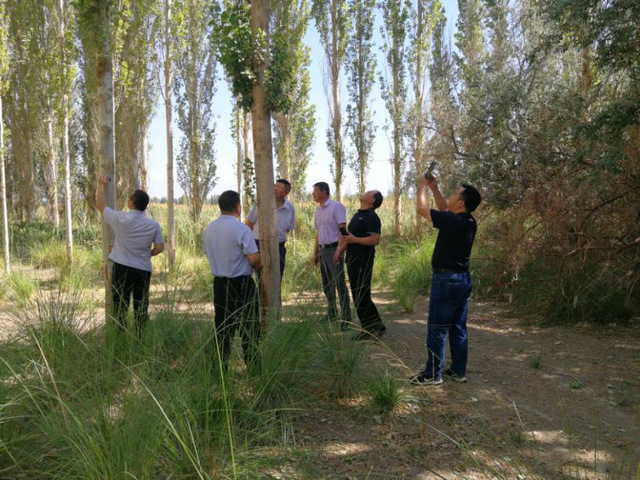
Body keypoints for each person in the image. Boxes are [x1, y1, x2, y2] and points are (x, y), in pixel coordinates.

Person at [410, 175, 481, 386]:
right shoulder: (466, 221)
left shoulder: (454, 221)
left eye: (455, 194)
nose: (451, 196)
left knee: (437, 328)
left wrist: (422, 187)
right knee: (458, 327)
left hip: (447, 281)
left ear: (460, 203)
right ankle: (458, 371)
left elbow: (422, 210)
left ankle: (433, 374)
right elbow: (443, 209)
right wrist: (434, 188)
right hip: (461, 280)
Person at [96, 175, 164, 338]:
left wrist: (101, 185)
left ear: (132, 203)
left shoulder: (121, 218)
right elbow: (160, 248)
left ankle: (120, 338)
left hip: (122, 268)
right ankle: (141, 338)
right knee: (141, 306)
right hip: (143, 270)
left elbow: (100, 204)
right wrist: (147, 253)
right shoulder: (153, 225)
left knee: (120, 305)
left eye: (129, 199)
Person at [203, 190, 261, 370]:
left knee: (222, 326)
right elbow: (253, 259)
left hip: (220, 284)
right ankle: (254, 367)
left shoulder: (210, 229)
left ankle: (219, 368)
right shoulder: (242, 229)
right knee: (249, 327)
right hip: (241, 284)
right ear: (238, 207)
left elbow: (207, 252)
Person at [335, 190, 386, 340]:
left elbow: (375, 239)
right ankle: (372, 327)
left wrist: (355, 240)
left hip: (363, 261)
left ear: (372, 200)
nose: (365, 192)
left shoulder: (372, 217)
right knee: (358, 295)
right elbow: (349, 238)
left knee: (362, 294)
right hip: (352, 260)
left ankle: (373, 328)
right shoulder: (358, 215)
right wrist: (340, 250)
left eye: (369, 192)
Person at [312, 182, 352, 327]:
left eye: (315, 191)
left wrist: (339, 250)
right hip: (323, 250)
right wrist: (315, 253)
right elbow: (318, 233)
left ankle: (346, 317)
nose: (313, 194)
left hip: (334, 249)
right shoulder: (318, 210)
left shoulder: (336, 207)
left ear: (324, 192)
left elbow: (342, 229)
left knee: (339, 283)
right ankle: (332, 312)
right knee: (327, 284)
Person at [245, 179, 295, 281]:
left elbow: (288, 229)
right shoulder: (262, 204)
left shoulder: (290, 208)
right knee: (262, 279)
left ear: (286, 192)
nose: (275, 189)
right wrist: (252, 246)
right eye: (275, 186)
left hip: (279, 247)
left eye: (279, 188)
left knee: (277, 278)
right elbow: (249, 223)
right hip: (260, 246)